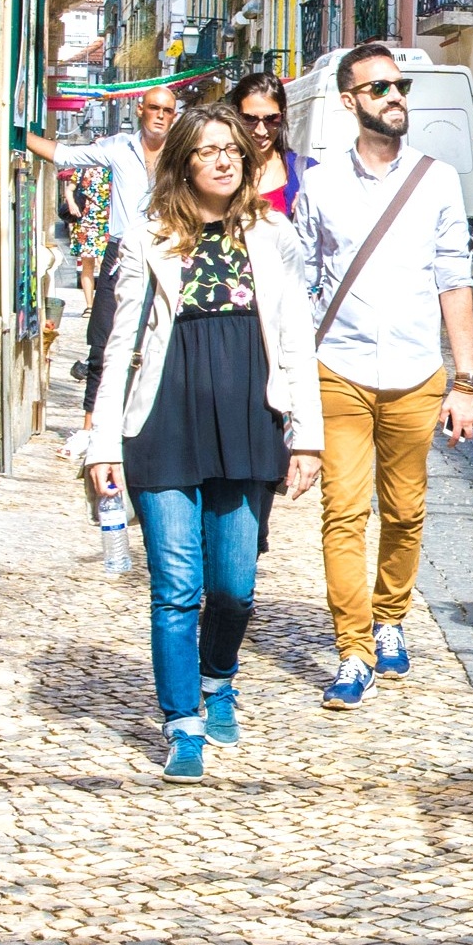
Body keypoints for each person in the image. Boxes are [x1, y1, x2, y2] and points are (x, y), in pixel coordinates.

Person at [84, 105, 324, 783]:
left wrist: (306, 437)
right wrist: (103, 444)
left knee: (236, 586)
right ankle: (182, 723)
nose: (224, 160)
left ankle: (220, 676)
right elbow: (120, 346)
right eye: (208, 150)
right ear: (184, 160)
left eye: (232, 151)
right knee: (176, 587)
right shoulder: (147, 237)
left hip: (249, 420)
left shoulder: (273, 234)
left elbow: (297, 342)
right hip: (162, 423)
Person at [291, 42, 473, 710]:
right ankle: (352, 650)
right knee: (343, 512)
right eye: (378, 89)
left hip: (415, 371)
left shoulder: (437, 179)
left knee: (404, 510)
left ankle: (390, 612)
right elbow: (301, 279)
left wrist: (466, 380)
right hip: (336, 368)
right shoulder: (318, 184)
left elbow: (455, 280)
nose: (394, 96)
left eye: (398, 86)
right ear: (349, 102)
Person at [28, 88, 179, 399]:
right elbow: (66, 155)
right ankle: (88, 424)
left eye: (167, 111)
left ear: (173, 116)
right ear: (141, 110)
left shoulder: (182, 153)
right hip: (120, 250)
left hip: (164, 252)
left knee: (158, 341)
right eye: (154, 108)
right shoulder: (118, 148)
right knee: (102, 341)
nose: (160, 116)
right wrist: (11, 132)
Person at [228, 71, 316, 217]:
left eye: (271, 119)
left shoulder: (308, 173)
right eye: (250, 119)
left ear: (282, 115)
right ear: (236, 117)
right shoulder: (222, 172)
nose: (261, 131)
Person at [62, 166, 114, 377]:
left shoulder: (110, 169)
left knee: (105, 264)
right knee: (88, 265)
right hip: (85, 221)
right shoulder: (82, 170)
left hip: (105, 222)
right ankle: (90, 305)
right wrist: (72, 204)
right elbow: (69, 189)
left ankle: (103, 302)